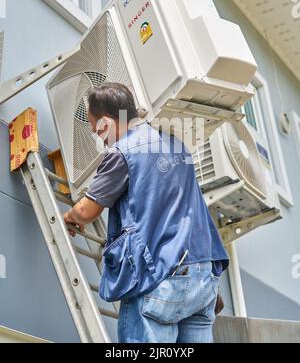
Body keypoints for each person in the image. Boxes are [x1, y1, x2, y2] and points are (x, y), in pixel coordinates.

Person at [64, 82, 229, 343]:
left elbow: (86, 211)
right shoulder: (176, 145)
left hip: (161, 278)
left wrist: (69, 216)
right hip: (203, 275)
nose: (97, 135)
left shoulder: (122, 152)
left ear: (106, 123)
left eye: (94, 127)